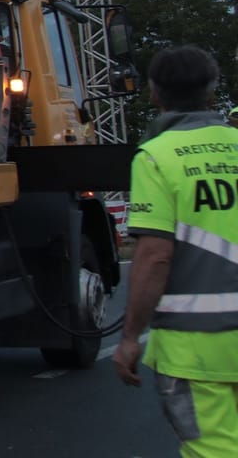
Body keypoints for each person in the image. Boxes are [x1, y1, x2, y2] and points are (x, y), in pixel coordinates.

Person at [112, 46, 238, 457]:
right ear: (213, 94)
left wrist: (131, 336)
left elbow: (154, 255)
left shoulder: (157, 157)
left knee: (214, 450)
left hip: (196, 346)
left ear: (154, 94)